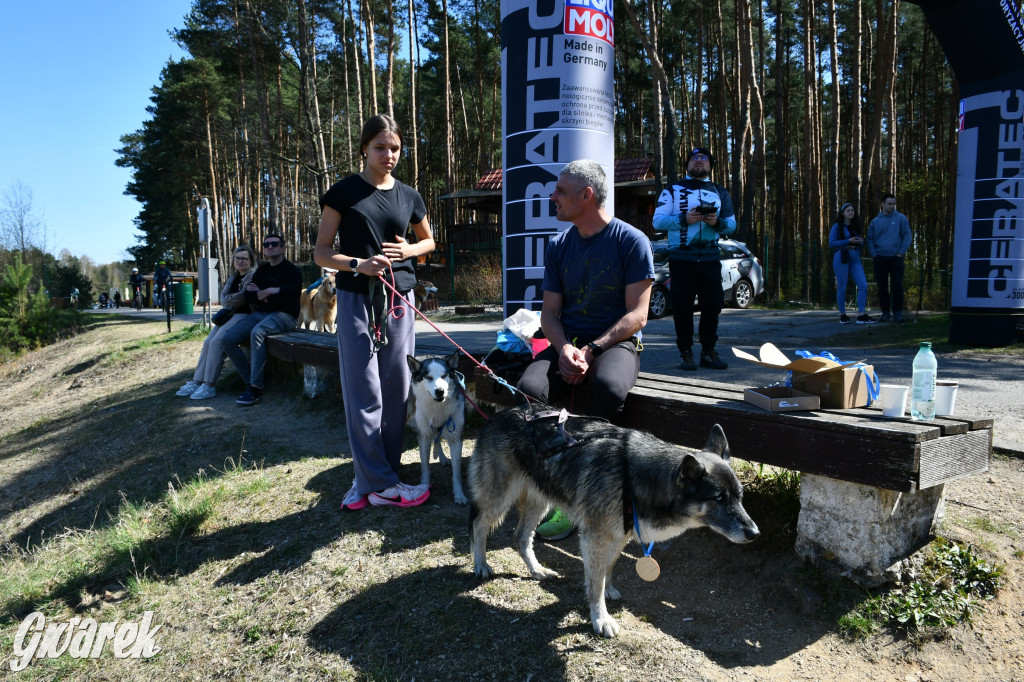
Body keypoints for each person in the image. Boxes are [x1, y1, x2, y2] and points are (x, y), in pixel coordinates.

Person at [517, 159, 655, 540]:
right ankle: (551, 485)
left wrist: (591, 350)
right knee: (531, 390)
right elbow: (549, 313)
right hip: (570, 343)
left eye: (561, 190)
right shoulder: (560, 245)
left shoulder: (631, 241)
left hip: (615, 343)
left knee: (608, 388)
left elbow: (638, 315)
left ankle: (595, 490)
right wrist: (563, 350)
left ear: (586, 195)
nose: (553, 196)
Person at [314, 114, 437, 511]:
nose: (388, 155)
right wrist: (356, 264)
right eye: (380, 147)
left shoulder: (409, 195)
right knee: (362, 389)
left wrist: (409, 251)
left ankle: (376, 476)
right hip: (354, 297)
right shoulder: (343, 192)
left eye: (395, 148)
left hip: (400, 299)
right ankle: (378, 482)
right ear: (364, 148)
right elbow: (321, 251)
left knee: (397, 390)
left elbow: (429, 241)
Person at [652, 147, 736, 371]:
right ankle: (685, 353)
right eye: (694, 158)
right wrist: (683, 219)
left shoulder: (720, 191)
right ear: (687, 164)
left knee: (713, 306)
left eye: (704, 158)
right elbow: (657, 222)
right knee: (682, 307)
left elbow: (732, 224)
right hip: (681, 259)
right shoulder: (672, 189)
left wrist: (716, 223)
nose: (699, 161)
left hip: (710, 258)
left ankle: (708, 352)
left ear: (710, 165)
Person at [220, 232, 302, 406]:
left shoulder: (292, 272)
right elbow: (248, 296)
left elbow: (286, 299)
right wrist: (270, 291)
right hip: (260, 314)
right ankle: (250, 379)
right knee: (227, 339)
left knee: (258, 332)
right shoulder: (261, 270)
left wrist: (260, 294)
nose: (270, 247)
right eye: (266, 245)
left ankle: (256, 388)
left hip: (285, 316)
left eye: (274, 244)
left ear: (283, 248)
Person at [176, 245, 258, 400]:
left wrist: (229, 300)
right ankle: (197, 381)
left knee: (217, 343)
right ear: (233, 260)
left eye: (244, 258)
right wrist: (230, 300)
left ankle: (209, 385)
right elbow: (223, 297)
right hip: (229, 315)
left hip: (244, 315)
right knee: (208, 342)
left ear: (251, 260)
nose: (240, 261)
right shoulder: (234, 277)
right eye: (237, 258)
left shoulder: (252, 276)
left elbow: (244, 297)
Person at [866, 193, 912, 323]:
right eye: (889, 204)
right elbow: (869, 239)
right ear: (882, 204)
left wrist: (901, 252)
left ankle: (897, 312)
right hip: (880, 258)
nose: (892, 206)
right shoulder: (875, 221)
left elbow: (907, 236)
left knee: (897, 285)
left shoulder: (901, 218)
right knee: (882, 286)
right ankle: (885, 312)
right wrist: (874, 254)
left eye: (894, 204)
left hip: (896, 257)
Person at [829, 203, 874, 324]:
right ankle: (843, 315)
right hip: (841, 256)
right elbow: (831, 243)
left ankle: (861, 315)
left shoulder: (855, 226)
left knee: (863, 285)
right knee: (842, 287)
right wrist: (848, 241)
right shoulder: (837, 226)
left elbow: (860, 242)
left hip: (855, 257)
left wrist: (861, 242)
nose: (851, 212)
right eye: (848, 210)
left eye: (852, 210)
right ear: (843, 213)